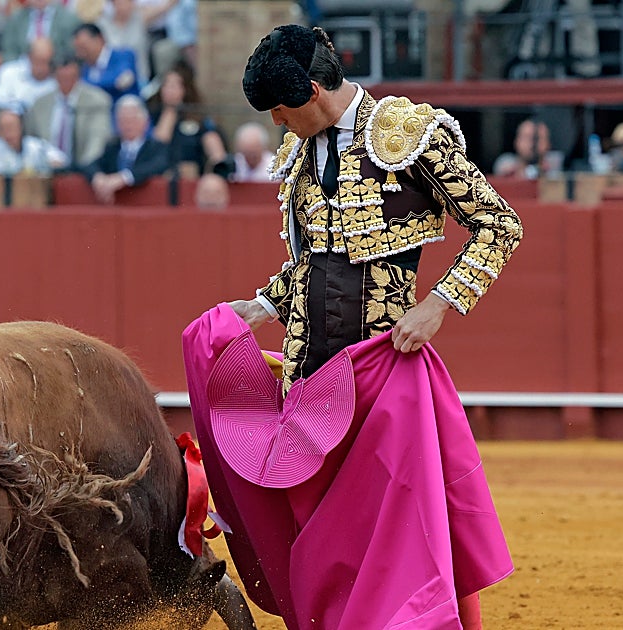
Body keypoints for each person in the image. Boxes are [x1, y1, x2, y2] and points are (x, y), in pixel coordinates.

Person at [210, 25, 520, 630]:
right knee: (325, 526)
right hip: (309, 372)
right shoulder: (299, 156)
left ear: (314, 91)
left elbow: (499, 225)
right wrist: (264, 306)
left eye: (279, 107)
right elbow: (312, 263)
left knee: (398, 526)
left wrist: (439, 303)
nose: (276, 122)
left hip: (381, 374)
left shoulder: (408, 137)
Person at [24, 52, 112, 168]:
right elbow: (32, 141)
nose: (66, 82)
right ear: (54, 76)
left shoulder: (97, 101)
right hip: (46, 171)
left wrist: (82, 170)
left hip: (82, 171)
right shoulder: (40, 104)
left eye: (71, 77)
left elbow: (97, 141)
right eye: (62, 77)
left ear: (78, 76)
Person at [79, 93, 169, 204]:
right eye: (123, 120)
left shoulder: (155, 147)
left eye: (132, 119)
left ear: (145, 122)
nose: (128, 125)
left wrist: (123, 178)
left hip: (144, 205)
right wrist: (98, 177)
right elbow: (90, 165)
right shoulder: (113, 147)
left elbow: (156, 165)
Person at [147, 61, 225, 178]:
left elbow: (216, 152)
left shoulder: (198, 117)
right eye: (166, 85)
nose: (169, 90)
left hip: (192, 177)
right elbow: (158, 144)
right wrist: (170, 111)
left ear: (185, 89)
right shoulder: (152, 114)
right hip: (162, 176)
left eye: (174, 86)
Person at [0, 108, 67, 174]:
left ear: (20, 127)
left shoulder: (35, 146)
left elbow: (61, 159)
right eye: (3, 128)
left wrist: (53, 163)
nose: (8, 133)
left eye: (11, 127)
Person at [73, 22, 141, 103]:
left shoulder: (123, 56)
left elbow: (123, 81)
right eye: (78, 49)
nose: (80, 53)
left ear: (99, 39)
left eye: (83, 47)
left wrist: (90, 86)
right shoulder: (85, 68)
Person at [0, 0, 80, 64]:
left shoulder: (69, 19)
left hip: (55, 68)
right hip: (21, 67)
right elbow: (8, 49)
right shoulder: (16, 18)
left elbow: (71, 52)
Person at [0, 36, 56, 112]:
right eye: (38, 61)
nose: (42, 67)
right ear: (29, 57)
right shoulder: (8, 72)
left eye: (46, 62)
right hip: (16, 118)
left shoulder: (56, 81)